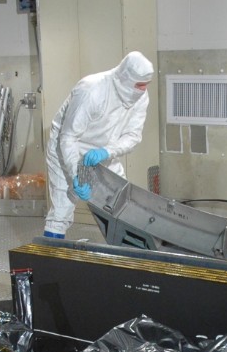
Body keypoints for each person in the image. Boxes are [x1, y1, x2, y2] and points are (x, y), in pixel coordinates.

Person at [43, 51, 154, 239]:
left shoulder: (141, 97)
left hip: (103, 153)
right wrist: (75, 174)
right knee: (63, 207)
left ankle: (126, 260)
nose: (143, 90)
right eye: (139, 85)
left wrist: (107, 152)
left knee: (121, 203)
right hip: (68, 150)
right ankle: (50, 260)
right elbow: (68, 137)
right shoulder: (91, 89)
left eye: (146, 85)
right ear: (126, 78)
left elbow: (133, 136)